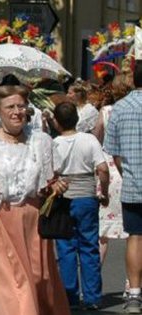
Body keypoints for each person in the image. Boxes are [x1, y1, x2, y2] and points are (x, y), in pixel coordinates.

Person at [0, 85, 70, 315]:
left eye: (21, 106)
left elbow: (51, 179)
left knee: (38, 278)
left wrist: (56, 186)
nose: (17, 111)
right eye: (10, 107)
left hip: (31, 221)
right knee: (8, 282)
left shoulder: (41, 141)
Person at [52, 101, 109, 310]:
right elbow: (102, 169)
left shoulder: (54, 142)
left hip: (63, 197)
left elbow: (50, 172)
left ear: (56, 122)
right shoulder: (89, 140)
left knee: (66, 248)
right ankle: (92, 297)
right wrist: (104, 190)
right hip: (86, 197)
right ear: (77, 119)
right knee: (89, 247)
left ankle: (70, 297)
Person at [104, 61, 142, 314]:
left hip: (133, 184)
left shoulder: (120, 107)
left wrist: (126, 172)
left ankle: (134, 294)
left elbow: (113, 151)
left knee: (135, 238)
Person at [93, 75, 131, 264]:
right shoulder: (134, 110)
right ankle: (131, 282)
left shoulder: (106, 111)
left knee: (102, 234)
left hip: (107, 171)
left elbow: (96, 137)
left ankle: (95, 281)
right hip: (128, 169)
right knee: (133, 235)